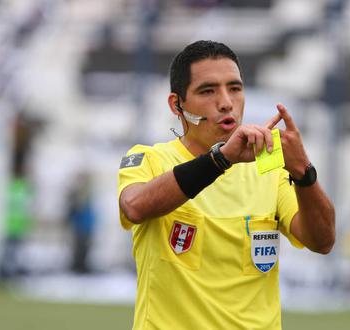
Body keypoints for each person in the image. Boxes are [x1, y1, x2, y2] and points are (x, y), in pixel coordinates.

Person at [117, 40, 335, 329]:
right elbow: (134, 206)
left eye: (235, 88)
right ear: (177, 105)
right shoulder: (149, 158)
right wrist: (220, 160)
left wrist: (304, 173)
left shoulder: (268, 168)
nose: (226, 102)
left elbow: (322, 240)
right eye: (208, 91)